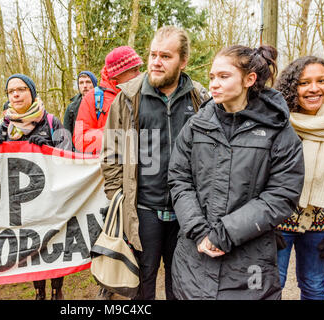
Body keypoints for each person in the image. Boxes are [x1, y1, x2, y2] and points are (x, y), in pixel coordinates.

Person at [167, 45, 305, 300]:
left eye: (223, 76)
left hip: (249, 262)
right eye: (211, 77)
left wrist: (225, 234)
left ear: (249, 80)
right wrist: (199, 231)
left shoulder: (278, 131)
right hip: (193, 259)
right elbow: (179, 179)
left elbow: (282, 194)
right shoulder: (196, 125)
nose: (214, 84)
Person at [100, 26, 209, 300]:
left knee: (181, 281)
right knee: (142, 282)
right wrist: (120, 200)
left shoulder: (200, 99)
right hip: (143, 209)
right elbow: (111, 154)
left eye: (166, 56)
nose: (156, 62)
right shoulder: (127, 98)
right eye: (153, 55)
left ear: (183, 61)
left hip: (187, 210)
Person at [0, 73, 69, 300]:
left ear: (31, 93)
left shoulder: (52, 122)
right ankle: (39, 292)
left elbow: (69, 155)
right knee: (30, 246)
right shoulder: (3, 124)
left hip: (50, 198)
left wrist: (50, 148)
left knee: (53, 243)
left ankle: (57, 290)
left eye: (21, 89)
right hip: (21, 201)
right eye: (11, 90)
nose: (15, 94)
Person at [274, 56, 324, 300]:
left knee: (314, 285)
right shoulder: (278, 121)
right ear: (291, 86)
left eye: (322, 81)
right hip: (279, 220)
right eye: (304, 82)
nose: (314, 88)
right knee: (272, 284)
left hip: (323, 222)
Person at [73, 46, 143, 155]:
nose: (139, 75)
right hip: (107, 167)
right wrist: (116, 135)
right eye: (134, 70)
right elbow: (80, 140)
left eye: (139, 69)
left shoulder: (140, 93)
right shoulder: (92, 98)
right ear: (118, 74)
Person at [63, 71, 97, 145]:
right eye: (81, 83)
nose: (85, 86)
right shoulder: (71, 108)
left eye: (88, 82)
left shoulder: (102, 103)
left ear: (94, 84)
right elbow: (66, 136)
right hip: (78, 152)